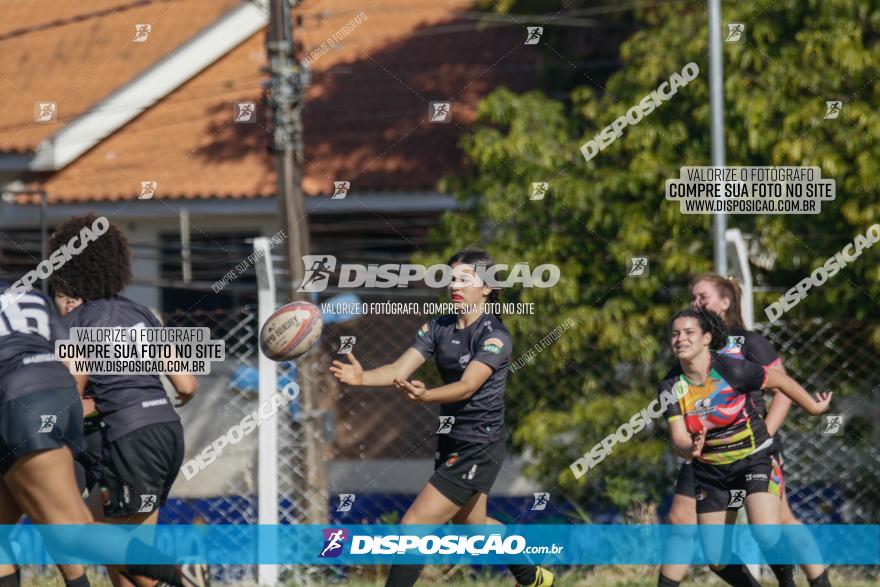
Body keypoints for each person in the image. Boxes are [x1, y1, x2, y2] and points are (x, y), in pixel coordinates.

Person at [331, 250, 553, 587]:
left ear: (488, 287)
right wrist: (362, 378)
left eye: (465, 278)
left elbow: (466, 387)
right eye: (451, 277)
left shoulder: (495, 336)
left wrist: (425, 396)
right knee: (473, 528)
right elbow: (397, 370)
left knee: (413, 527)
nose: (455, 284)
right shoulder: (438, 327)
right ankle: (534, 577)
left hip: (479, 446)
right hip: (452, 440)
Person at [46, 214, 207, 587]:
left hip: (128, 439)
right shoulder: (142, 313)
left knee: (68, 532)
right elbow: (186, 384)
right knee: (128, 560)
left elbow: (69, 398)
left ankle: (181, 574)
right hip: (167, 433)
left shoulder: (77, 324)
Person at [659, 308, 832, 587]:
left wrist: (813, 407)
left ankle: (788, 583)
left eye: (688, 332)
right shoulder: (670, 384)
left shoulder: (732, 368)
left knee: (765, 530)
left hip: (753, 459)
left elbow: (781, 381)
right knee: (716, 558)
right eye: (675, 333)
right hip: (712, 472)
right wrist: (690, 447)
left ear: (706, 338)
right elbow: (678, 436)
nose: (680, 338)